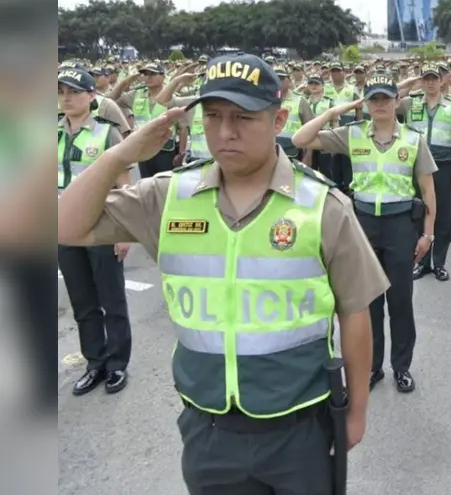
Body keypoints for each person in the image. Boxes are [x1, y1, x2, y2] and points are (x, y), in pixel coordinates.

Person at [57, 54, 384, 495]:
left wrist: (356, 411)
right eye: (213, 117)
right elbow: (64, 226)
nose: (226, 132)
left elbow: (355, 313)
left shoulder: (321, 205)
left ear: (278, 119)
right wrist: (123, 153)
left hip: (300, 425)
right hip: (208, 428)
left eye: (243, 117)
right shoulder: (168, 197)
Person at [293, 73, 437, 393]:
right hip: (364, 224)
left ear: (397, 101)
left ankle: (401, 366)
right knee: (367, 302)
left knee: (400, 301)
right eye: (374, 99)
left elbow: (428, 191)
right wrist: (333, 113)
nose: (381, 104)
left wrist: (428, 235)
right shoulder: (351, 134)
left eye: (387, 98)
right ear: (366, 104)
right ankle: (373, 368)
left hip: (401, 225)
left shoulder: (413, 139)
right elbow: (300, 140)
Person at [57, 67, 133, 396]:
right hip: (63, 229)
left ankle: (117, 365)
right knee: (83, 302)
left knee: (111, 299)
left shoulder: (106, 133)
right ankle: (95, 362)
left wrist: (124, 232)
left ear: (91, 96)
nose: (66, 97)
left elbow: (126, 184)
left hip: (102, 227)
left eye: (73, 91)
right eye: (61, 91)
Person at [397, 64, 451, 281]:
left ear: (441, 81)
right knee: (418, 214)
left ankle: (439, 263)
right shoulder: (410, 103)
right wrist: (410, 82)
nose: (429, 83)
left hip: (442, 166)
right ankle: (422, 262)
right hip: (415, 166)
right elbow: (390, 94)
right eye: (425, 78)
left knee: (443, 217)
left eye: (433, 78)